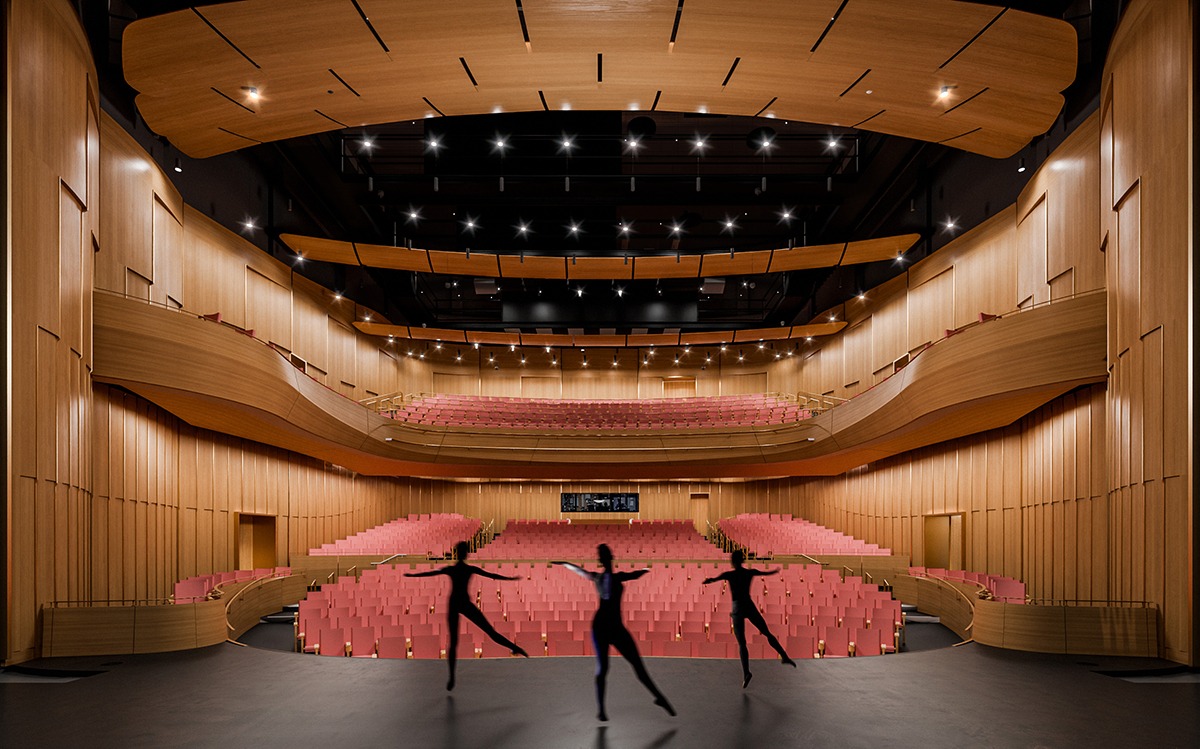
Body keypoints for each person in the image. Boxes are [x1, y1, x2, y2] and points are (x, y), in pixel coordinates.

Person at [553, 545, 675, 722]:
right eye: (607, 555)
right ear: (606, 559)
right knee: (605, 669)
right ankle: (601, 710)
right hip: (604, 627)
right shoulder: (606, 577)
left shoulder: (604, 577)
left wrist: (646, 569)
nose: (609, 557)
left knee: (635, 665)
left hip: (611, 626)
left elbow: (633, 574)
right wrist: (566, 564)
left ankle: (659, 697)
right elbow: (582, 571)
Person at [405, 540, 528, 691]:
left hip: (454, 604)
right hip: (464, 603)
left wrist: (412, 575)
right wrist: (510, 579)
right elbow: (492, 575)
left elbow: (430, 573)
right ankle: (515, 647)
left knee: (454, 642)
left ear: (457, 553)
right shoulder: (469, 569)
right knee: (490, 632)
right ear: (467, 554)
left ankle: (451, 677)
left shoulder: (451, 569)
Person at [702, 550, 796, 688]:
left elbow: (713, 579)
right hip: (749, 606)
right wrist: (774, 571)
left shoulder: (729, 574)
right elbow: (765, 573)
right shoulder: (749, 572)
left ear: (733, 561)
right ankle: (784, 656)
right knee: (767, 632)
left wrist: (708, 581)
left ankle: (746, 672)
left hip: (738, 609)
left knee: (742, 643)